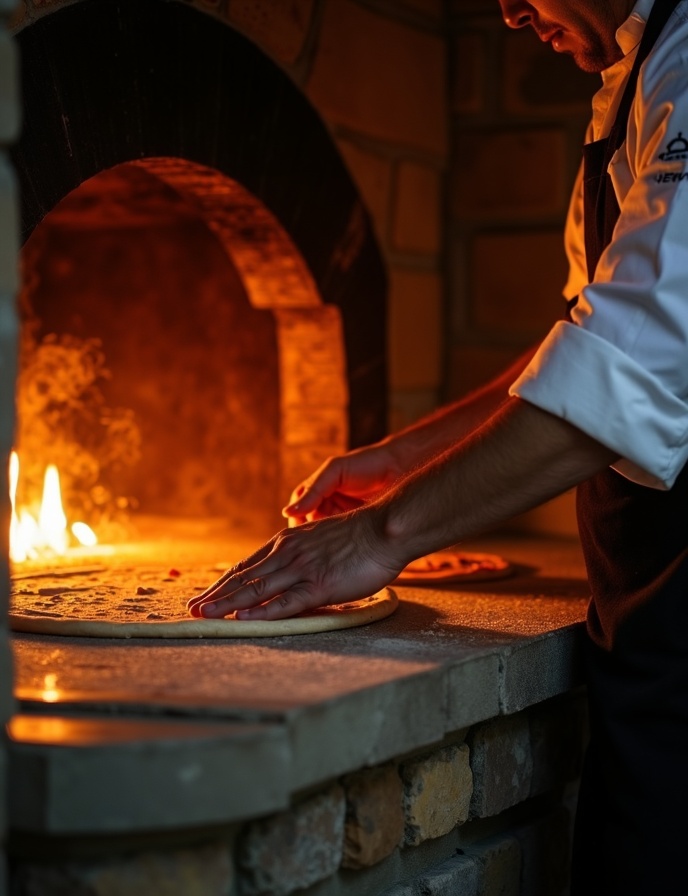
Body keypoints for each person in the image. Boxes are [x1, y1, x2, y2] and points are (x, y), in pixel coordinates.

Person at [189, 2, 688, 892]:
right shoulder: (631, 76)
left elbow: (634, 370)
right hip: (647, 615)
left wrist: (379, 536)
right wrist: (403, 459)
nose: (507, 7)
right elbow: (583, 339)